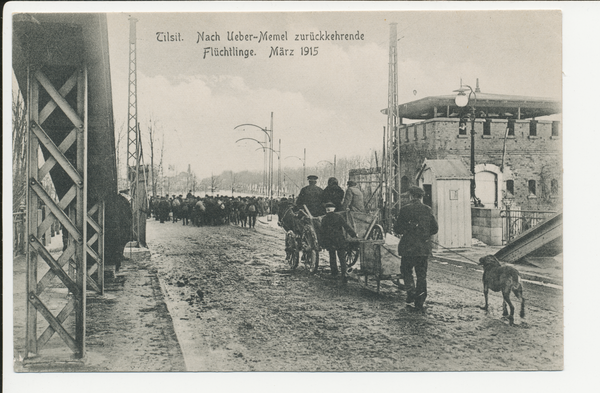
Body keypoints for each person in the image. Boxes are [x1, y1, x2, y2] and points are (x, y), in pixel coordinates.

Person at [393, 186, 438, 311]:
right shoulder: (427, 210)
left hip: (408, 247)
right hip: (423, 248)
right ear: (421, 197)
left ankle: (411, 293)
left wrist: (408, 230)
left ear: (411, 196)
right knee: (421, 275)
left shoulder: (405, 210)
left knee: (406, 271)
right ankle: (420, 300)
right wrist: (424, 233)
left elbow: (397, 229)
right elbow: (435, 228)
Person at [320, 202, 357, 283]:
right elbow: (346, 226)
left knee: (332, 256)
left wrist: (322, 242)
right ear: (334, 209)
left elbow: (322, 231)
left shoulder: (324, 219)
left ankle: (334, 272)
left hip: (330, 240)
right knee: (342, 257)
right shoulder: (339, 216)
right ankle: (344, 273)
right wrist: (353, 234)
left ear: (326, 210)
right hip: (339, 240)